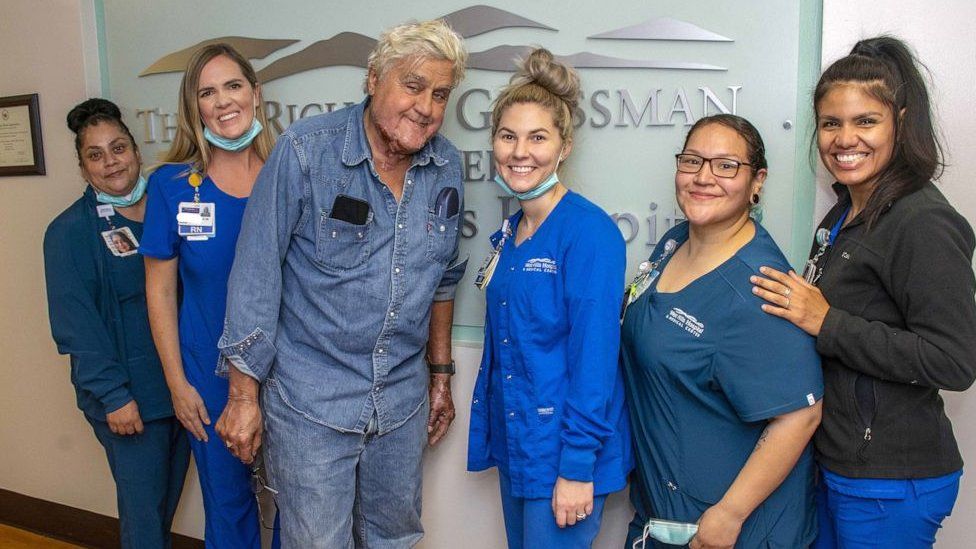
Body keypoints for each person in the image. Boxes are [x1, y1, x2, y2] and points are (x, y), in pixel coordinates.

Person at [214, 19, 468, 547]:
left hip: (400, 403)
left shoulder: (446, 165)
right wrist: (243, 396)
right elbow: (255, 272)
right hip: (312, 404)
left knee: (393, 540)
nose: (426, 106)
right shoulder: (308, 151)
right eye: (413, 85)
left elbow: (444, 275)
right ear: (374, 79)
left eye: (440, 94)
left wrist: (439, 374)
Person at [751, 36, 976, 548]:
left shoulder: (924, 222)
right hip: (839, 464)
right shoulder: (843, 213)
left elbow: (954, 361)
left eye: (865, 122)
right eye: (832, 124)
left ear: (900, 120)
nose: (844, 139)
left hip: (891, 480)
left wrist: (827, 322)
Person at [620, 115, 824, 548]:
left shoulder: (760, 286)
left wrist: (728, 516)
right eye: (692, 161)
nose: (703, 177)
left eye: (726, 165)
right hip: (664, 517)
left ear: (757, 181)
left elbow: (800, 413)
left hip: (729, 532)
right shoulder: (673, 243)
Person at [465, 48, 631, 548]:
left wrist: (578, 466)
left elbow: (595, 358)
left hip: (566, 454)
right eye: (508, 136)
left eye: (538, 137)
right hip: (522, 446)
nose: (521, 152)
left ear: (564, 146)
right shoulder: (512, 232)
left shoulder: (589, 233)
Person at [140, 43, 275, 548]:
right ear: (194, 107)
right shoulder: (173, 186)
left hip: (287, 374)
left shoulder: (288, 175)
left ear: (256, 94)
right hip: (208, 375)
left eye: (234, 85)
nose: (224, 101)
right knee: (229, 505)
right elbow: (159, 292)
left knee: (298, 503)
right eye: (208, 92)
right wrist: (178, 384)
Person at [44, 98, 189, 548]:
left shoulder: (170, 207)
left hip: (180, 391)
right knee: (144, 519)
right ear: (83, 165)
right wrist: (114, 397)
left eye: (118, 147)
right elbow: (76, 328)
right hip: (129, 400)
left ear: (135, 150)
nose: (111, 163)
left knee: (162, 510)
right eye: (95, 154)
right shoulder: (69, 232)